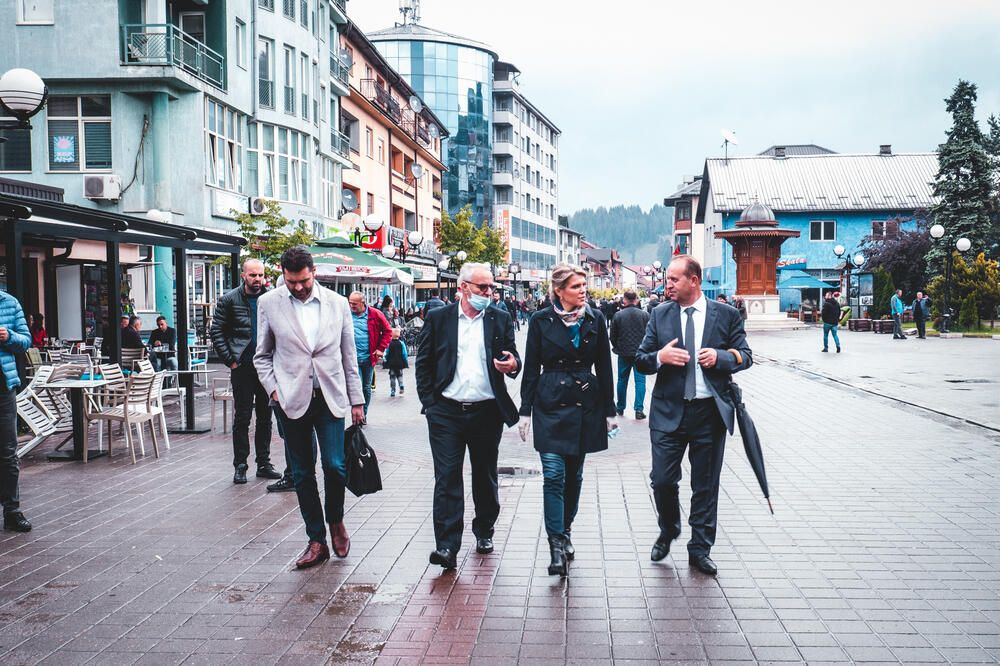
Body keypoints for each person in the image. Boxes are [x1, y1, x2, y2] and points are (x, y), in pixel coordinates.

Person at [635, 256, 752, 575]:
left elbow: (746, 356)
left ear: (694, 281)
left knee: (705, 485)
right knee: (661, 480)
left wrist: (722, 357)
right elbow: (641, 361)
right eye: (667, 279)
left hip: (709, 414)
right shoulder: (658, 314)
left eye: (673, 280)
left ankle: (700, 548)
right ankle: (669, 527)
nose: (667, 284)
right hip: (668, 412)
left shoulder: (725, 315)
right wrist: (660, 356)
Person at [255, 246, 365, 568]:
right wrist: (274, 391)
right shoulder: (268, 303)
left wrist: (356, 400)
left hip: (329, 397)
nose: (299, 287)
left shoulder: (338, 303)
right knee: (302, 472)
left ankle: (336, 521)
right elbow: (262, 355)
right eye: (291, 282)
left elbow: (348, 357)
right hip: (290, 400)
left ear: (313, 271)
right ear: (283, 274)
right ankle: (316, 540)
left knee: (334, 465)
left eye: (303, 281)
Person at [416, 262, 521, 569]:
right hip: (446, 411)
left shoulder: (500, 318)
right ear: (463, 287)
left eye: (491, 287)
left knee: (484, 474)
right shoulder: (439, 318)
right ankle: (447, 546)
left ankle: (485, 528)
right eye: (482, 287)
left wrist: (512, 364)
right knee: (447, 477)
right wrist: (430, 404)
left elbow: (514, 358)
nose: (489, 293)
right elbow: (423, 363)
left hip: (487, 410)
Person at [518, 263, 615, 576]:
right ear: (558, 291)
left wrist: (610, 410)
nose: (583, 290)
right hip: (550, 401)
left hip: (586, 401)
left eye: (584, 285)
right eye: (576, 286)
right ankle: (556, 544)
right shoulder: (540, 320)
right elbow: (532, 366)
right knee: (554, 475)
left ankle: (566, 528)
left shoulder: (595, 318)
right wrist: (525, 410)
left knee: (574, 476)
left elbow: (605, 365)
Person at [210, 259, 281, 485]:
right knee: (242, 417)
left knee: (265, 417)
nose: (257, 279)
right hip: (242, 366)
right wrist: (231, 361)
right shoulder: (229, 300)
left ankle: (264, 463)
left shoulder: (271, 298)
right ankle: (240, 464)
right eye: (253, 275)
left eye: (260, 275)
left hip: (266, 367)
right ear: (243, 275)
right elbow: (217, 331)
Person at [0, 291, 32, 532]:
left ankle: (12, 511)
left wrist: (8, 335)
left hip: (3, 388)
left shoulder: (10, 303)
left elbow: (25, 342)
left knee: (8, 452)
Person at [347, 292, 391, 423]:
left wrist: (381, 349)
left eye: (354, 304)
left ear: (363, 303)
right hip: (352, 358)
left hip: (369, 358)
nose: (351, 306)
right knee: (358, 385)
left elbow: (388, 331)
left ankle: (363, 413)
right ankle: (358, 415)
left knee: (366, 387)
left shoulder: (375, 314)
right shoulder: (346, 314)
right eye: (350, 303)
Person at [609, 289, 650, 419]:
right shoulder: (644, 315)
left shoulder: (618, 315)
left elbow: (612, 335)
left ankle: (620, 407)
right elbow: (649, 334)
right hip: (640, 353)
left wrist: (617, 346)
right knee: (640, 381)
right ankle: (638, 409)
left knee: (622, 380)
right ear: (636, 300)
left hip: (624, 352)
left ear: (624, 300)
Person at [383, 328, 409, 396]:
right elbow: (404, 353)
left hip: (391, 363)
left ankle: (393, 391)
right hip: (400, 363)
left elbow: (386, 353)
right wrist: (405, 360)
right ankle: (401, 384)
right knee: (399, 375)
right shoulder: (401, 343)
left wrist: (385, 360)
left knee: (392, 377)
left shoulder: (389, 343)